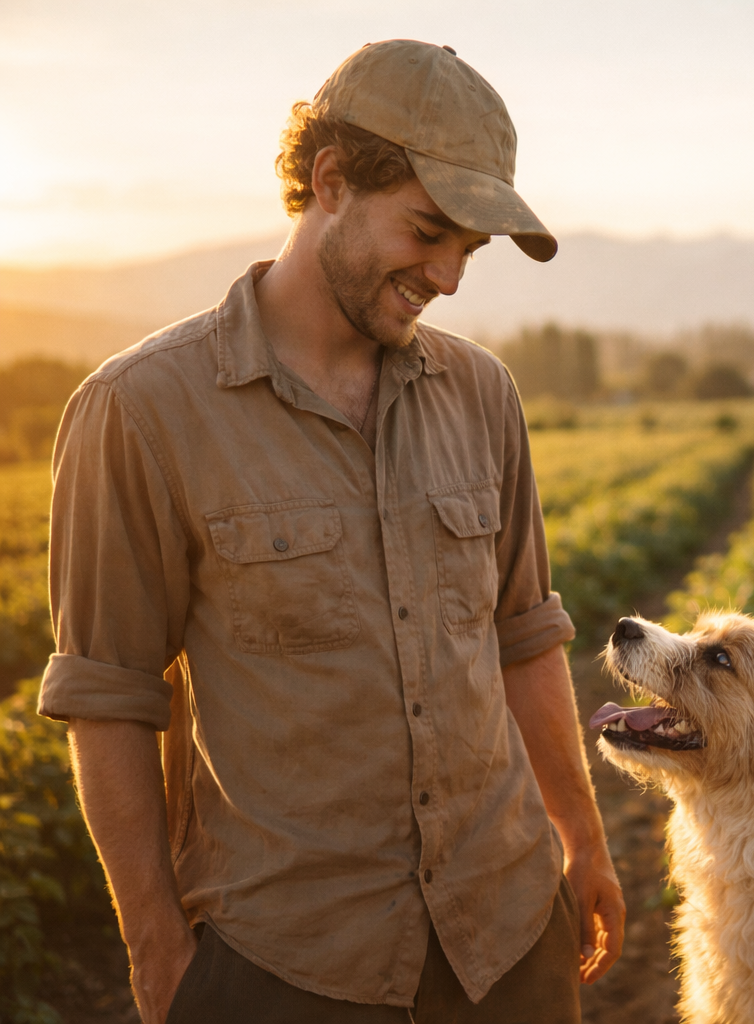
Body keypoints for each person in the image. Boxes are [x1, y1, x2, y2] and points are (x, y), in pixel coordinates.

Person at [38, 39, 623, 1024]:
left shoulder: (482, 393)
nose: (447, 275)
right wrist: (158, 961)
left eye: (468, 250)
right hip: (290, 969)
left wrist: (585, 839)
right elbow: (109, 699)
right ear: (332, 181)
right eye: (429, 231)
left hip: (512, 939)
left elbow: (524, 636)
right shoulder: (140, 411)